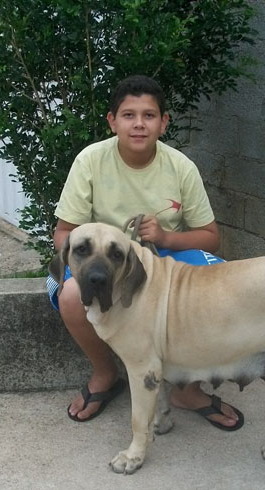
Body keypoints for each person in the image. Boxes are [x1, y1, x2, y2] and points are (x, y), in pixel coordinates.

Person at [47, 74, 243, 431]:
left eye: (149, 115)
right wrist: (92, 253)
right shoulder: (90, 161)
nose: (139, 124)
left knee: (216, 291)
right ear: (112, 121)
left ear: (164, 123)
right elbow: (63, 233)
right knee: (72, 294)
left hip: (167, 265)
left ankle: (186, 387)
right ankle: (106, 375)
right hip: (104, 267)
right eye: (128, 115)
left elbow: (210, 238)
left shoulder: (181, 167)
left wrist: (167, 237)